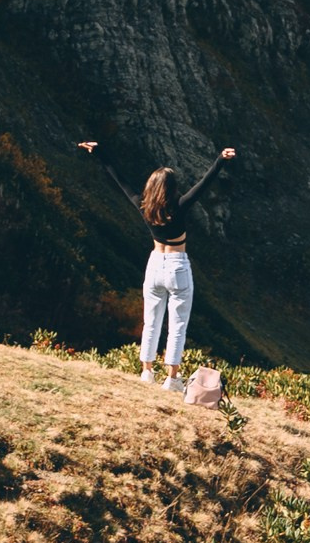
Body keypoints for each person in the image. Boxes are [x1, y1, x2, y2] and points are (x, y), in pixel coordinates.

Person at [77, 138, 236, 389]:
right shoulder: (180, 206)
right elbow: (203, 185)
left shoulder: (142, 205)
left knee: (151, 321)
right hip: (177, 266)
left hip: (154, 265)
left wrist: (99, 152)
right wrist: (220, 160)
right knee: (177, 325)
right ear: (171, 188)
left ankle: (147, 372)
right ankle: (172, 379)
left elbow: (119, 180)